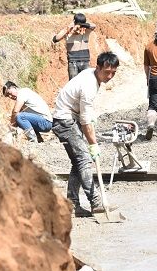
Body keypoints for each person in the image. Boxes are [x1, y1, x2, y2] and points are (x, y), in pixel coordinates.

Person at [51, 52, 120, 217]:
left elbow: (84, 113)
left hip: (68, 118)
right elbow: (85, 121)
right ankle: (96, 202)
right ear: (98, 68)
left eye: (113, 72)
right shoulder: (89, 85)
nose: (109, 76)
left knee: (78, 162)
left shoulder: (91, 75)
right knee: (84, 160)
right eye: (107, 72)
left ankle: (72, 205)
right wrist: (93, 144)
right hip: (64, 121)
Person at [52, 12, 96, 79]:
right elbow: (56, 39)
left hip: (85, 61)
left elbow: (93, 25)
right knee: (73, 83)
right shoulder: (68, 32)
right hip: (73, 61)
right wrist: (68, 28)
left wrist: (81, 25)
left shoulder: (86, 31)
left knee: (86, 82)